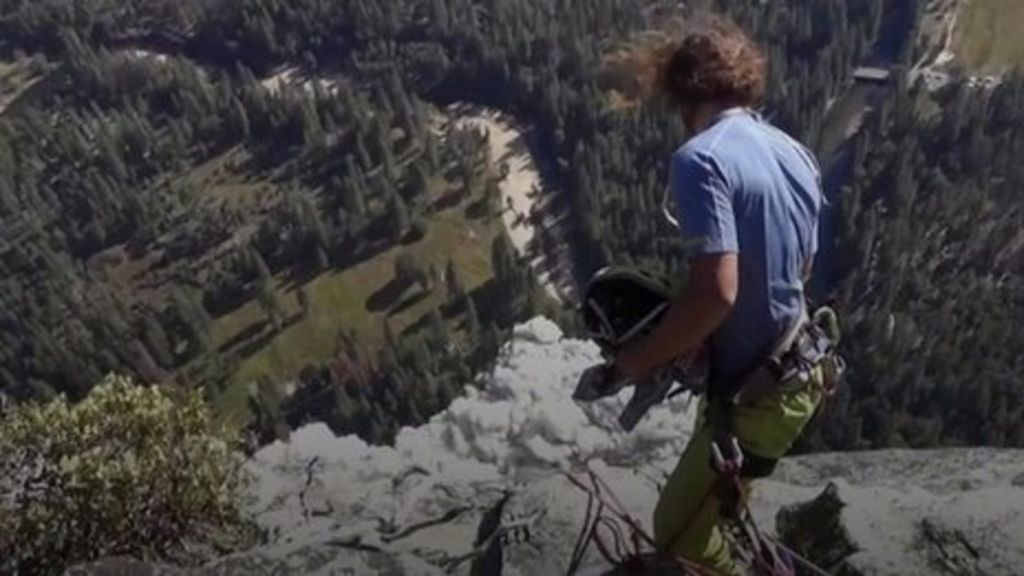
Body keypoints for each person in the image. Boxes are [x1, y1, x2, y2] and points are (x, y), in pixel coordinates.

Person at [612, 15, 828, 576]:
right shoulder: (794, 151)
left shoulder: (700, 159)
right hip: (798, 370)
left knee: (678, 532)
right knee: (725, 504)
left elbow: (716, 293)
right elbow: (800, 266)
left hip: (756, 391)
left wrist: (643, 358)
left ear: (681, 94)